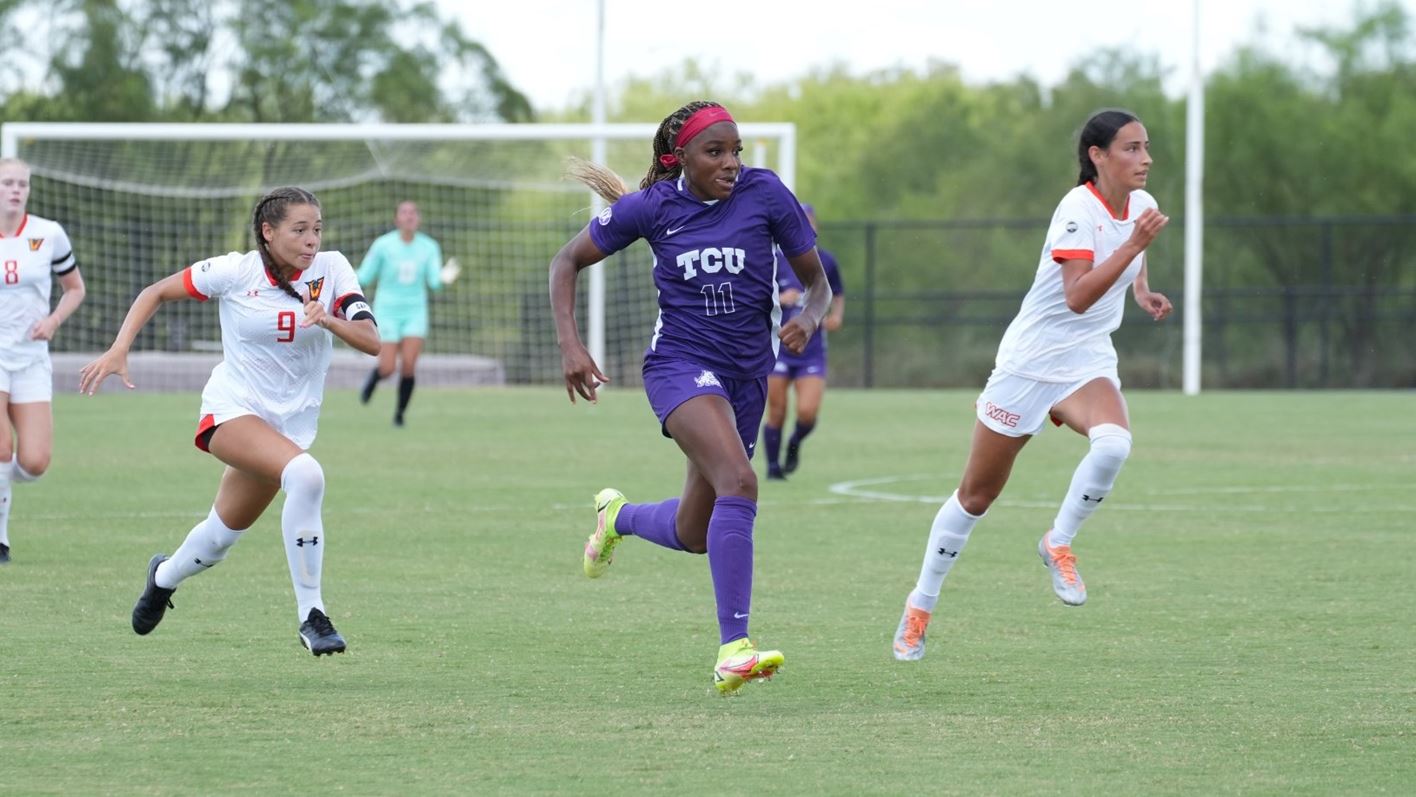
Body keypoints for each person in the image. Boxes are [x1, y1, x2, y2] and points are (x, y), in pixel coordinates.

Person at [549, 101, 833, 694]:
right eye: (716, 152)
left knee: (695, 531)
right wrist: (572, 346)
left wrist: (808, 317)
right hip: (680, 367)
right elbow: (567, 261)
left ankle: (617, 517)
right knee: (741, 480)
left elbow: (817, 284)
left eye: (736, 152)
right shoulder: (652, 208)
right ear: (682, 159)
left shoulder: (766, 195)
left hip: (748, 376)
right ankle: (735, 649)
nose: (731, 162)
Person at [891, 109, 1173, 661]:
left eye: (1146, 147)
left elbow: (1127, 257)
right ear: (1098, 155)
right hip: (1030, 363)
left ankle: (1058, 542)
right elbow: (1077, 297)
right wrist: (1134, 249)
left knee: (1114, 443)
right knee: (976, 497)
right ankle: (920, 606)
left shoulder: (1142, 206)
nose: (1146, 159)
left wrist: (1142, 289)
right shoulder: (1076, 209)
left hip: (1086, 359)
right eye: (1132, 149)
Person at [78, 186, 380, 656]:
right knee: (307, 474)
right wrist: (120, 349)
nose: (311, 241)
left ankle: (162, 577)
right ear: (268, 231)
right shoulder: (234, 271)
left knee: (219, 538)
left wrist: (330, 321)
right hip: (231, 412)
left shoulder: (333, 269)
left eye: (316, 229)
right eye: (299, 230)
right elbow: (155, 292)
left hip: (285, 429)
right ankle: (312, 616)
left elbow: (372, 340)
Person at [0, 158, 87, 564]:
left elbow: (74, 289)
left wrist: (52, 321)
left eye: (22, 184)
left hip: (32, 357)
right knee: (1, 448)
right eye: (7, 183)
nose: (15, 190)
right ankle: (1, 539)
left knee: (34, 462)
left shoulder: (48, 234)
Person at [762, 203, 845, 480]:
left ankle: (794, 443)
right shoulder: (773, 258)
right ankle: (774, 469)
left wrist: (836, 315)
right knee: (776, 411)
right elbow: (755, 294)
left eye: (811, 222)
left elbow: (837, 293)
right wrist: (777, 298)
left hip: (811, 352)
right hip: (779, 349)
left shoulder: (826, 261)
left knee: (807, 412)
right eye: (801, 222)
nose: (806, 228)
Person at [356, 201, 458, 426]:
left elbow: (433, 281)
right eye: (404, 213)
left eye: (413, 213)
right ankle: (374, 378)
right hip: (387, 311)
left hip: (415, 312)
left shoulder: (429, 247)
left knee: (409, 365)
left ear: (418, 219)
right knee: (388, 367)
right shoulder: (383, 245)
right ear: (397, 219)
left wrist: (444, 277)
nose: (409, 216)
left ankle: (399, 415)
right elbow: (364, 275)